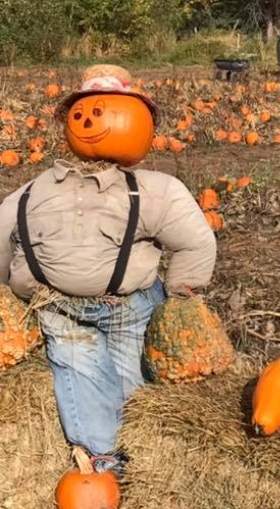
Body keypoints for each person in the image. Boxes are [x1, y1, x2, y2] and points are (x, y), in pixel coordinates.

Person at [0, 64, 217, 474]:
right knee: (80, 374)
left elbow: (195, 242)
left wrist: (180, 299)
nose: (90, 119)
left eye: (104, 110)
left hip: (129, 307)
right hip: (59, 310)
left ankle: (145, 459)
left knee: (132, 387)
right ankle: (104, 464)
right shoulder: (34, 191)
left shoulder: (152, 190)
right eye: (81, 112)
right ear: (69, 121)